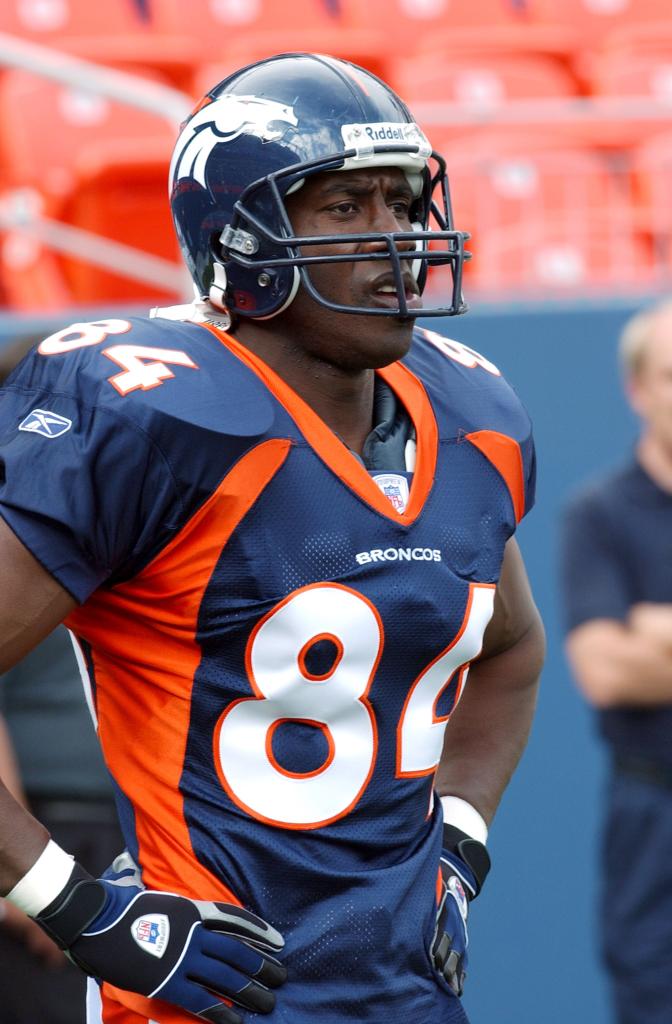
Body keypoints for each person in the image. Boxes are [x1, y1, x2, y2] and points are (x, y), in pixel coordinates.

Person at [0, 52, 544, 1024]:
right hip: (204, 994)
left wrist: (459, 842)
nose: (395, 238)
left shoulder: (474, 414)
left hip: (405, 992)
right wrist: (73, 902)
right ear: (239, 234)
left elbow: (511, 649)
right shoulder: (151, 417)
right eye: (345, 207)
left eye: (402, 199)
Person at [560, 298, 672, 1024]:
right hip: (656, 816)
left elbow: (636, 656)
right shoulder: (599, 514)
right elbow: (604, 671)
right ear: (637, 389)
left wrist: (658, 629)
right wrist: (633, 648)